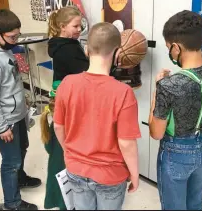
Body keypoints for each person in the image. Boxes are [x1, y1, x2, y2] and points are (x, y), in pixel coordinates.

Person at [53, 22, 141, 210]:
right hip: (110, 174)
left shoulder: (67, 83)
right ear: (118, 53)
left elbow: (58, 126)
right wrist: (134, 174)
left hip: (75, 169)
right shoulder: (123, 92)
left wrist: (70, 153)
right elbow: (126, 142)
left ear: (86, 49)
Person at [148, 10, 202, 210]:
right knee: (195, 203)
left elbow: (156, 133)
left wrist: (157, 90)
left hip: (175, 153)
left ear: (176, 47)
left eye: (168, 48)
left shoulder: (169, 85)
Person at [0, 9, 40, 210]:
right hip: (7, 120)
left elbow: (10, 83)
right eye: (12, 36)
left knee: (22, 149)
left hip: (18, 114)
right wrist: (2, 127)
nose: (16, 40)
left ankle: (20, 179)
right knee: (10, 162)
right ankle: (13, 203)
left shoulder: (6, 48)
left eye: (17, 35)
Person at [41, 6, 89, 210]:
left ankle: (62, 199)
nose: (79, 29)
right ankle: (65, 202)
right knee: (64, 156)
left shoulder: (62, 44)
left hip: (62, 102)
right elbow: (87, 73)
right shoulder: (68, 49)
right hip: (69, 108)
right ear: (62, 26)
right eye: (75, 26)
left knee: (59, 154)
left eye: (80, 25)